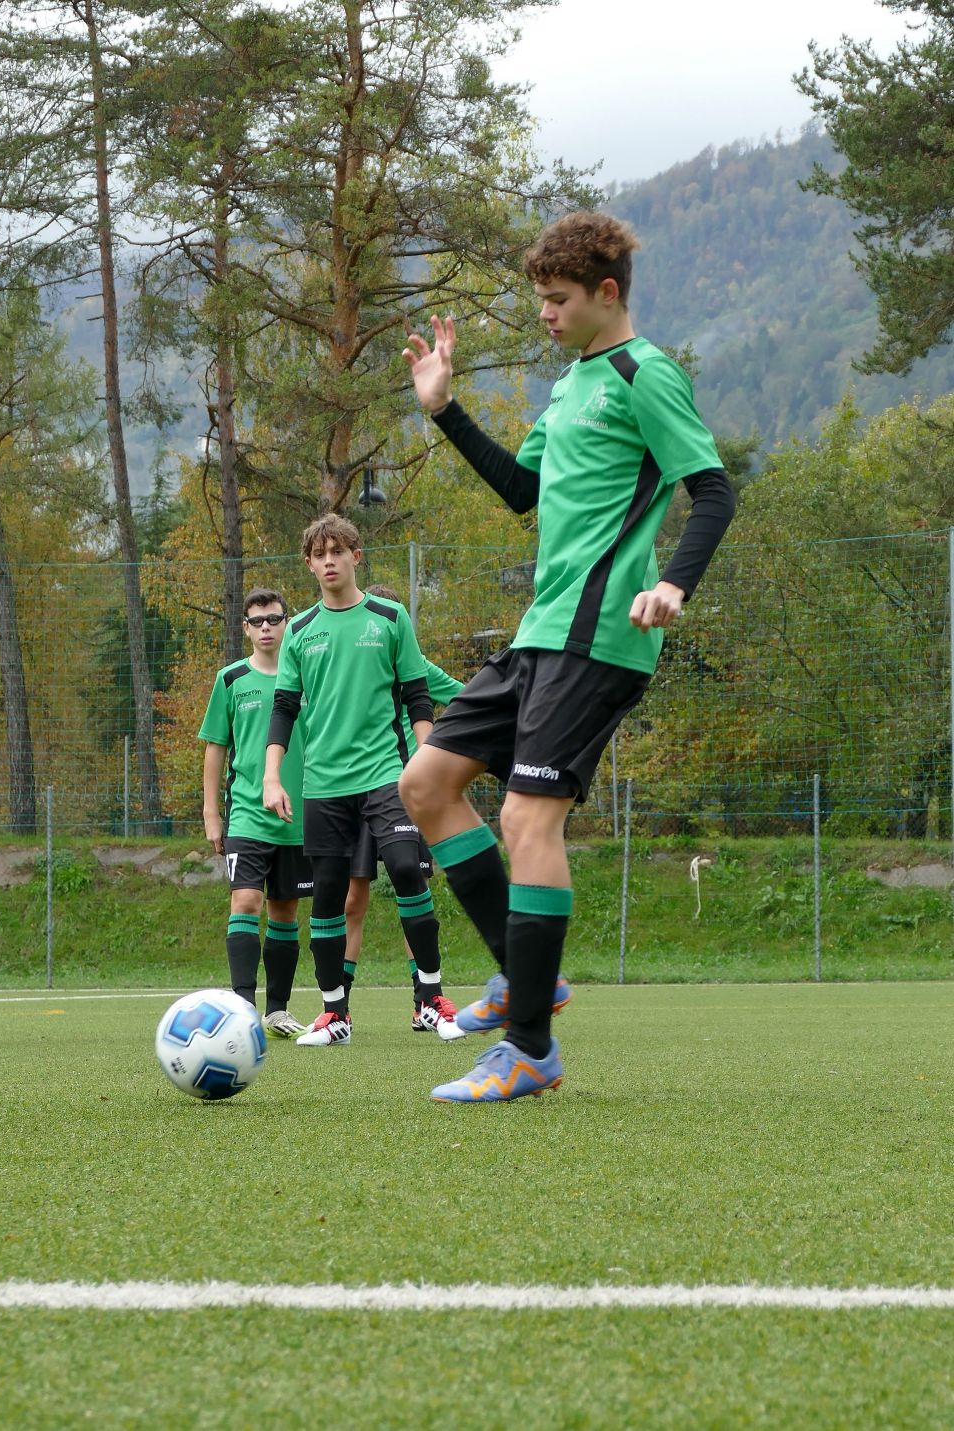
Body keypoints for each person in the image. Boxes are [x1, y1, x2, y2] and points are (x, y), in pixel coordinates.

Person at [399, 209, 736, 1102]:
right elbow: (523, 489)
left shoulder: (643, 373)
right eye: (541, 298)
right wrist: (443, 409)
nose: (544, 314)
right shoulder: (573, 382)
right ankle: (529, 976)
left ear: (606, 292)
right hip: (538, 634)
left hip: (599, 638)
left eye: (557, 299)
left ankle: (529, 1049)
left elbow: (712, 490)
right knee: (425, 785)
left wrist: (675, 584)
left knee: (527, 819)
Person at [262, 514, 463, 1046]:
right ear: (309, 564)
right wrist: (272, 776)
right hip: (324, 785)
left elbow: (418, 696)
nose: (329, 561)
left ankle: (432, 999)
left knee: (407, 870)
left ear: (356, 556)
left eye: (338, 551)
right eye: (319, 554)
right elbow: (283, 708)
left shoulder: (390, 617)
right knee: (329, 895)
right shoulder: (299, 630)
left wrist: (426, 761)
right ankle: (335, 1014)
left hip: (387, 776)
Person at [342, 583, 464, 1030]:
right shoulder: (346, 664)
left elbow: (465, 696)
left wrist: (439, 754)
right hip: (358, 789)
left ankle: (424, 1000)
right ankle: (339, 1005)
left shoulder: (417, 667)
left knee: (411, 884)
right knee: (352, 898)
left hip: (406, 795)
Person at [199, 586, 313, 1038]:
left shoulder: (306, 677)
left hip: (299, 816)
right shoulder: (230, 680)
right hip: (247, 813)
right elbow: (215, 747)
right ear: (245, 628)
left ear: (287, 623)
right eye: (257, 621)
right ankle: (243, 1009)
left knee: (285, 911)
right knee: (246, 901)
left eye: (274, 619)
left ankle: (277, 1010)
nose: (266, 627)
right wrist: (211, 813)